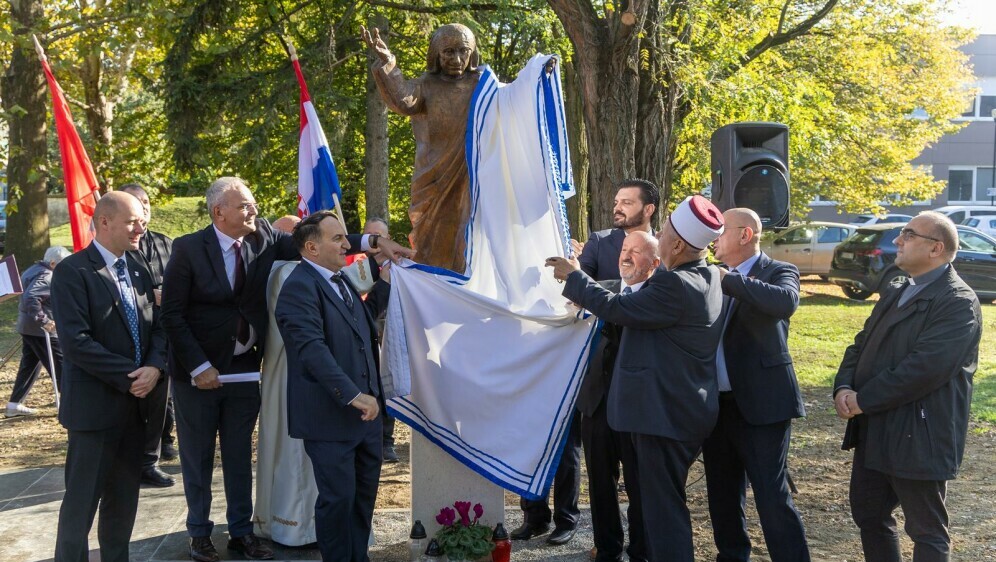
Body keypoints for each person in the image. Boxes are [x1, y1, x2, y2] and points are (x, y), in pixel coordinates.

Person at [161, 177, 411, 562]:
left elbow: (322, 238)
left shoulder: (265, 236)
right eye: (244, 205)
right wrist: (199, 365)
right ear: (219, 212)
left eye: (252, 202)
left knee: (240, 454)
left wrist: (376, 244)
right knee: (197, 456)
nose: (253, 210)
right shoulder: (189, 248)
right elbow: (173, 315)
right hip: (199, 373)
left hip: (245, 368)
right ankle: (199, 533)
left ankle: (242, 532)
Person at [547, 194, 726, 562]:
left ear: (677, 244)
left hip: (663, 417)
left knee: (664, 516)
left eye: (663, 232)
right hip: (680, 412)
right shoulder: (706, 275)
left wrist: (576, 277)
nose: (657, 236)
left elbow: (619, 307)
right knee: (665, 507)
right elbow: (623, 289)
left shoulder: (675, 285)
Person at [833, 211, 981, 562]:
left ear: (936, 248)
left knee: (926, 530)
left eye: (908, 234)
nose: (898, 241)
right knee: (869, 514)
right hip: (877, 428)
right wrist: (843, 388)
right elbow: (860, 344)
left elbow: (924, 370)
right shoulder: (896, 289)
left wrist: (863, 400)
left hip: (921, 434)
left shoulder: (958, 302)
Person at [50, 192, 167, 562]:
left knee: (122, 504)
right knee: (80, 506)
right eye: (133, 221)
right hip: (94, 410)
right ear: (104, 222)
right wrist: (132, 375)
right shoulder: (73, 271)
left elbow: (158, 327)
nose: (141, 226)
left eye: (142, 220)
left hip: (137, 408)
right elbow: (76, 342)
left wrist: (155, 367)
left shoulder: (137, 266)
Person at [274, 211, 391, 562]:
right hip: (331, 417)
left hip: (368, 419)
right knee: (337, 501)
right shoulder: (297, 287)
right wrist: (354, 396)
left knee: (362, 498)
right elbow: (312, 351)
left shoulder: (340, 280)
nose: (347, 244)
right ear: (311, 247)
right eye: (338, 238)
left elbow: (363, 329)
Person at [704, 207, 810, 562]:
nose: (714, 239)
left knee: (770, 494)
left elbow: (785, 303)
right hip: (717, 406)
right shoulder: (711, 276)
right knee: (722, 493)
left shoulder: (779, 271)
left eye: (720, 231)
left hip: (763, 405)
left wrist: (727, 280)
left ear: (745, 235)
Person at [573, 179, 657, 561]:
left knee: (642, 482)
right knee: (601, 481)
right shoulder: (600, 242)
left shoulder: (668, 251)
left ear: (649, 209)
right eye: (616, 201)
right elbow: (579, 288)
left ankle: (642, 548)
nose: (618, 207)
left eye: (627, 202)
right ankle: (607, 548)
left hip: (641, 392)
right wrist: (573, 272)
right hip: (599, 387)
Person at [362, 23, 481, 273]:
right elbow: (405, 101)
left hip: (470, 176)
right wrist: (388, 62)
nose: (457, 59)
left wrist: (538, 75)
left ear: (473, 53)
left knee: (466, 238)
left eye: (463, 51)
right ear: (436, 53)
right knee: (429, 240)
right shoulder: (426, 85)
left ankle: (464, 290)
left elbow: (513, 100)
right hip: (433, 177)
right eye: (449, 51)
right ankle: (432, 292)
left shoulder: (483, 85)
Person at [253, 214, 319, 546]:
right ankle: (297, 525)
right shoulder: (290, 273)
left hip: (282, 371)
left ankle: (281, 518)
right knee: (297, 450)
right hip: (299, 372)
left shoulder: (273, 272)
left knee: (284, 446)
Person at [120, 183, 178, 488]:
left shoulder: (166, 244)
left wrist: (166, 296)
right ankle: (125, 461)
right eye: (136, 203)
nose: (144, 208)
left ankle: (149, 461)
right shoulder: (116, 246)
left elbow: (181, 283)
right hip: (127, 335)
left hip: (162, 333)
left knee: (158, 402)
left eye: (146, 202)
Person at [7, 245, 71, 417]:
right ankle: (72, 404)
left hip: (28, 327)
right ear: (52, 263)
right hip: (41, 330)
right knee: (61, 364)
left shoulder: (33, 269)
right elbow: (31, 298)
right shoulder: (47, 275)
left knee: (30, 365)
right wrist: (45, 320)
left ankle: (14, 404)